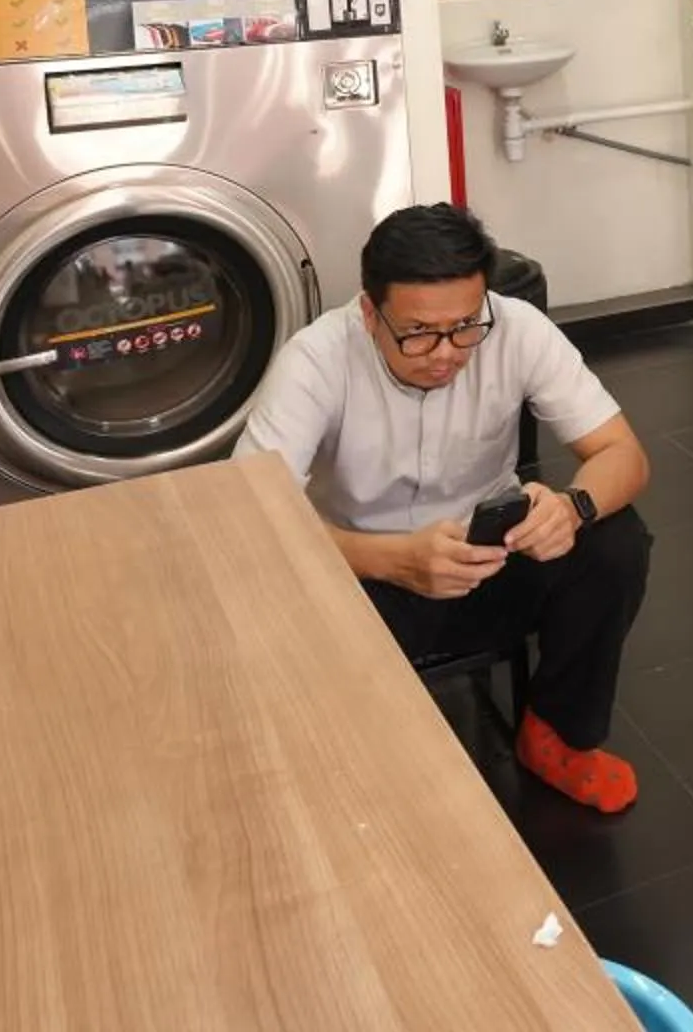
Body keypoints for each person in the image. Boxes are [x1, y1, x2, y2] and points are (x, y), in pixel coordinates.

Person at [236, 203, 653, 813]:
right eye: (418, 333)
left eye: (465, 327)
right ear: (369, 312)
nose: (446, 352)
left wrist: (571, 508)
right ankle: (329, 761)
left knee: (615, 542)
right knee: (265, 596)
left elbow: (624, 454)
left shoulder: (517, 328)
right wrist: (387, 560)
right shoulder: (316, 359)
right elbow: (245, 513)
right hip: (362, 580)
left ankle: (557, 735)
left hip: (487, 557)